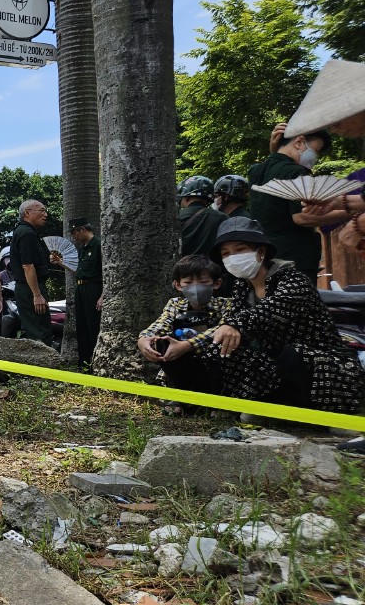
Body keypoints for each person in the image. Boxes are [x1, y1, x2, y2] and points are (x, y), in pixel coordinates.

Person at [208, 217, 365, 414]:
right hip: (274, 363)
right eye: (226, 254)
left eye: (239, 250)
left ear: (261, 252)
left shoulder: (293, 279)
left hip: (321, 364)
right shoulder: (241, 286)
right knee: (224, 347)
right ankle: (247, 406)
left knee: (292, 354)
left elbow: (272, 309)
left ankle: (323, 413)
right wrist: (190, 344)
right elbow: (229, 322)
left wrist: (234, 324)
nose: (233, 257)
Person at [138, 254, 247, 398]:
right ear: (177, 285)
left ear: (216, 283)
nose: (195, 288)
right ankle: (181, 397)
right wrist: (144, 339)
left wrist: (188, 345)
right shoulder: (175, 304)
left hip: (218, 366)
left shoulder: (227, 304)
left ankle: (219, 400)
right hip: (184, 364)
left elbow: (222, 328)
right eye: (188, 282)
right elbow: (161, 324)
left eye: (203, 282)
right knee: (163, 341)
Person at [248, 128, 348, 279]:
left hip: (263, 258)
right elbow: (301, 217)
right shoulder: (296, 172)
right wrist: (350, 211)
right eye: (315, 151)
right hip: (293, 260)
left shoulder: (256, 171)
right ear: (299, 142)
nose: (315, 158)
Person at [9, 200, 53, 344]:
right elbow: (28, 266)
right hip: (30, 289)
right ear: (27, 213)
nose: (45, 215)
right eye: (42, 210)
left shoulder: (27, 232)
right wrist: (37, 295)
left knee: (38, 329)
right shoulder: (27, 233)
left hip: (29, 288)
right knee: (39, 332)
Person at [64, 218, 102, 367]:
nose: (74, 238)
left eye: (74, 234)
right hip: (81, 290)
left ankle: (95, 363)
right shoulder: (83, 248)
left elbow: (106, 271)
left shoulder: (98, 245)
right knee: (82, 328)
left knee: (93, 327)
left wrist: (103, 296)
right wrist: (61, 263)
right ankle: (84, 364)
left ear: (81, 230)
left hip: (94, 289)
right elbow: (80, 271)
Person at [177, 175, 227, 258]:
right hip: (213, 269)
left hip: (182, 268)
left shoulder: (176, 218)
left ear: (186, 197)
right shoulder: (222, 218)